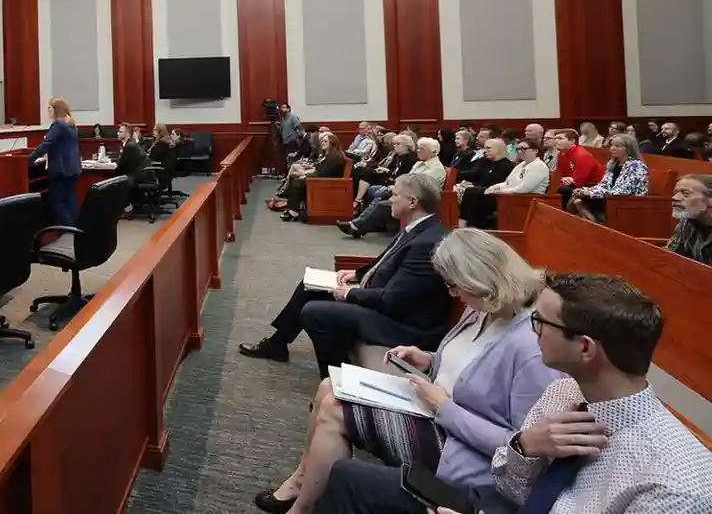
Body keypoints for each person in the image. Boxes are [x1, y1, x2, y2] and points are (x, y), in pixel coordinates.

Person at [319, 272, 712, 514]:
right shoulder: (564, 391)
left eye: (541, 322)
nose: (531, 329)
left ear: (585, 348)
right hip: (501, 506)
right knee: (348, 478)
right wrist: (525, 446)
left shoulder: (671, 484)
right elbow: (512, 488)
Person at [257, 230, 559, 514]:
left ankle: (302, 507)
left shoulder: (532, 346)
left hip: (457, 446)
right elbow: (467, 367)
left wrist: (444, 407)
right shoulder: (484, 307)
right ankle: (301, 481)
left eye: (455, 285)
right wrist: (430, 360)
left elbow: (521, 446)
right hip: (432, 410)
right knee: (329, 386)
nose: (453, 294)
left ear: (481, 279)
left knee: (335, 410)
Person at [241, 174, 452, 376]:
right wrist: (357, 274)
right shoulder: (419, 228)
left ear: (413, 202)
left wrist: (350, 294)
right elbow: (388, 261)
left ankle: (340, 383)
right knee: (309, 287)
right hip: (388, 304)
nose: (390, 199)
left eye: (395, 194)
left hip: (403, 326)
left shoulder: (426, 243)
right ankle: (278, 344)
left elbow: (393, 299)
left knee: (315, 313)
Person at [568, 133, 649, 222]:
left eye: (617, 146)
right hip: (611, 198)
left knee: (581, 200)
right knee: (577, 197)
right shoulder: (613, 164)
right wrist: (586, 191)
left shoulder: (636, 166)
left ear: (628, 148)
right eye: (611, 146)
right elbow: (604, 185)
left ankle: (595, 224)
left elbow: (624, 191)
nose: (612, 148)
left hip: (628, 202)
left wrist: (590, 193)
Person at [28, 96, 81, 226]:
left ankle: (69, 227)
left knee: (56, 202)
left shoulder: (58, 125)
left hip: (61, 169)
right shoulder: (72, 124)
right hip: (73, 167)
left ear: (56, 109)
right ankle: (75, 228)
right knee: (70, 201)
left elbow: (46, 144)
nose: (48, 111)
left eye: (50, 108)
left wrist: (29, 159)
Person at [279, 132, 348, 222]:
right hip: (322, 180)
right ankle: (293, 208)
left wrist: (306, 176)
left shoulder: (334, 157)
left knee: (298, 182)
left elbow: (322, 173)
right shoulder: (329, 155)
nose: (322, 143)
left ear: (332, 143)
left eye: (325, 141)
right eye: (322, 141)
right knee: (295, 178)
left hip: (328, 184)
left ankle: (293, 211)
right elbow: (320, 171)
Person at [455, 139, 515, 228]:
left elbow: (501, 185)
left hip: (494, 195)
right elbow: (473, 174)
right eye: (485, 148)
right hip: (479, 191)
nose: (485, 151)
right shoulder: (484, 161)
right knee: (461, 189)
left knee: (471, 192)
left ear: (498, 149)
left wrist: (475, 186)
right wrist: (456, 174)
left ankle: (463, 223)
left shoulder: (506, 166)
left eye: (488, 148)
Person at [668, 174, 712, 266]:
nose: (674, 197)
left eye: (686, 193)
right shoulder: (686, 222)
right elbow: (671, 256)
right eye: (675, 193)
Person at [553, 129, 603, 209]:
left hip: (592, 186)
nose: (556, 141)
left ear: (572, 141)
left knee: (562, 189)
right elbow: (559, 173)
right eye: (555, 138)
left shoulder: (582, 155)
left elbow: (579, 180)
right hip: (573, 183)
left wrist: (568, 179)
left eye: (560, 138)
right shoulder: (561, 154)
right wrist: (562, 179)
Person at [485, 139, 550, 195]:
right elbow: (508, 183)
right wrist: (494, 187)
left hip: (528, 199)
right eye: (518, 149)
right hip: (513, 197)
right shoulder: (521, 164)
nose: (519, 151)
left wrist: (500, 192)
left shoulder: (538, 166)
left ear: (535, 150)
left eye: (523, 149)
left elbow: (523, 189)